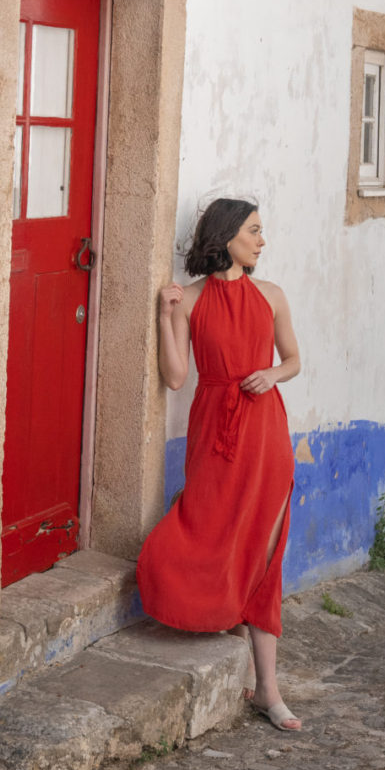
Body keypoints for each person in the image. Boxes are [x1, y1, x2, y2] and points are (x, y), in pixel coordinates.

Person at [136, 197, 303, 731]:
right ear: (228, 235)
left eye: (261, 231)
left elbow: (294, 360)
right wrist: (166, 317)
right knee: (207, 528)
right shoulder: (189, 299)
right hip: (214, 431)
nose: (261, 240)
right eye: (254, 230)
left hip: (265, 432)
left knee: (265, 548)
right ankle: (223, 636)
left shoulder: (272, 296)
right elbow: (176, 376)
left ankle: (269, 691)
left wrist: (271, 376)